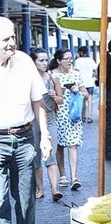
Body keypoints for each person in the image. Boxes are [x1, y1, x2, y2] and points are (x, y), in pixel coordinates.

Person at [0, 17, 52, 224]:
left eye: (12, 37)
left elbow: (38, 103)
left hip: (23, 138)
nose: (12, 43)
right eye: (6, 39)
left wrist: (45, 137)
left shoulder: (24, 62)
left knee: (26, 200)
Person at [50, 48, 89, 191]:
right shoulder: (53, 76)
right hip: (58, 114)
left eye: (71, 58)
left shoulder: (76, 75)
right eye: (66, 58)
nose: (69, 61)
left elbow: (86, 95)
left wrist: (78, 91)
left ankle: (74, 177)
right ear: (59, 60)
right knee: (60, 145)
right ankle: (62, 175)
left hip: (73, 115)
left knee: (73, 145)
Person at [29, 48, 64, 202]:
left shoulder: (53, 77)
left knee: (51, 154)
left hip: (50, 120)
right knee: (36, 156)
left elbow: (61, 100)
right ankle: (40, 189)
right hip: (33, 121)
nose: (44, 63)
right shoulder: (28, 79)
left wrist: (54, 96)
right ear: (34, 62)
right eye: (40, 60)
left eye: (45, 60)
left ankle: (55, 190)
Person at [74, 46, 96, 123]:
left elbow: (76, 72)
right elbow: (95, 70)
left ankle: (83, 116)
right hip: (90, 83)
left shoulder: (77, 61)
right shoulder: (91, 60)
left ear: (81, 52)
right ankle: (89, 117)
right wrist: (92, 76)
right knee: (90, 99)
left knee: (82, 99)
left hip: (81, 84)